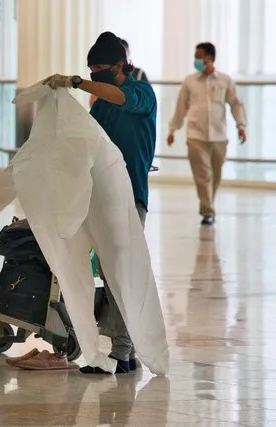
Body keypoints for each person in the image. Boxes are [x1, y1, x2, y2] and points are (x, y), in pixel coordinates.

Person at [44, 31, 157, 374]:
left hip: (129, 198)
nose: (94, 74)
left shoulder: (140, 92)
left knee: (120, 274)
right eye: (90, 69)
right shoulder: (103, 103)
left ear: (120, 66)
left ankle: (123, 352)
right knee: (109, 276)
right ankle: (124, 350)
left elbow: (122, 97)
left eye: (100, 69)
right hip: (100, 198)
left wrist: (78, 82)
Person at [167, 42, 247, 226]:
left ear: (209, 58)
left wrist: (240, 125)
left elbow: (236, 104)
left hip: (219, 136)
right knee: (203, 175)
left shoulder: (225, 81)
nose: (196, 60)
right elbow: (181, 107)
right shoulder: (190, 81)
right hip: (196, 136)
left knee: (215, 175)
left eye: (198, 56)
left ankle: (208, 204)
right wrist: (173, 129)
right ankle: (208, 211)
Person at [90, 38, 148, 108]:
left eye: (99, 67)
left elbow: (127, 98)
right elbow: (93, 103)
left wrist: (79, 82)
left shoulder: (139, 76)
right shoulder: (105, 82)